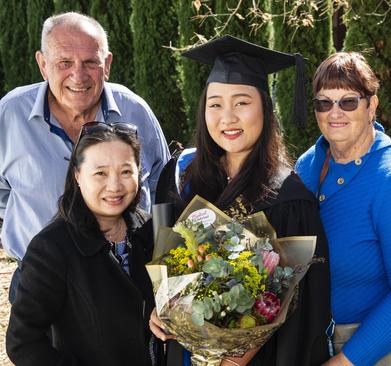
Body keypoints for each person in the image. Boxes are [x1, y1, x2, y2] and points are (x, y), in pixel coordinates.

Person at [148, 35, 330, 366]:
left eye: (242, 103)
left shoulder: (289, 198)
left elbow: (307, 309)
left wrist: (237, 357)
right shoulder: (184, 181)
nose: (227, 117)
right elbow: (167, 272)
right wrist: (160, 311)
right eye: (215, 104)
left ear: (265, 108)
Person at [0, 12, 170, 303]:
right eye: (64, 62)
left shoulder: (135, 111)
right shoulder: (9, 114)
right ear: (43, 64)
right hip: (42, 284)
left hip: (127, 283)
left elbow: (162, 192)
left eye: (90, 62)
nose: (78, 75)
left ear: (107, 65)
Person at [295, 52, 391, 366]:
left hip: (381, 349)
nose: (335, 113)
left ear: (371, 105)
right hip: (316, 340)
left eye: (348, 102)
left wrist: (347, 360)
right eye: (323, 102)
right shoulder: (308, 165)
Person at [6, 122, 162, 365]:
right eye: (100, 173)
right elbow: (23, 341)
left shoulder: (149, 230)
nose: (115, 186)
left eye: (126, 171)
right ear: (78, 175)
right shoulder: (52, 248)